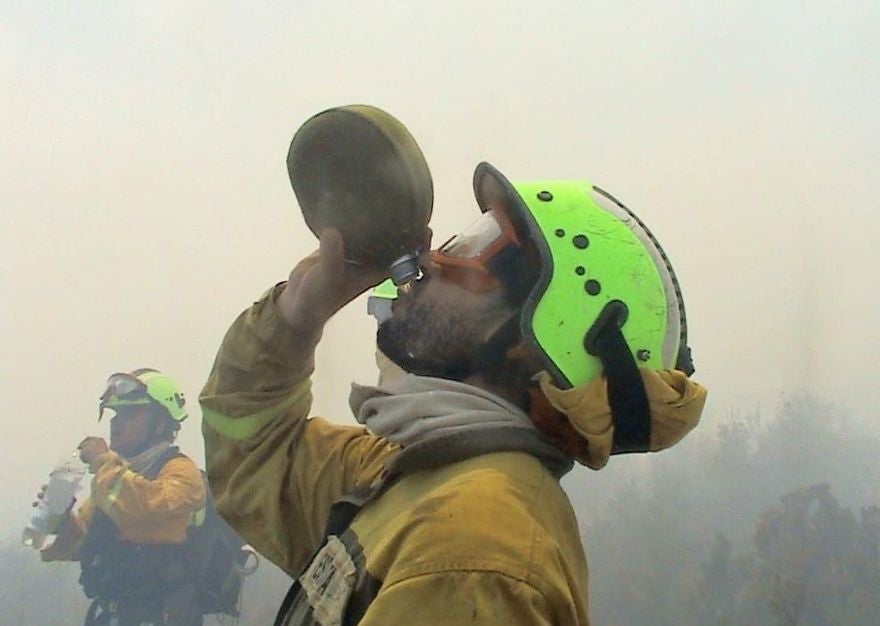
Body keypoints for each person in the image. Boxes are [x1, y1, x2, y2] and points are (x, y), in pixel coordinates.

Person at [200, 162, 708, 625]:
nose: (433, 259)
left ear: (527, 344)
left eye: (475, 249)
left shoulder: (473, 549)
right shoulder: (413, 475)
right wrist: (294, 317)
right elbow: (254, 454)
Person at [39, 368, 206, 626]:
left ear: (160, 422)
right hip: (114, 615)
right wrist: (62, 519)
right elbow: (87, 542)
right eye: (116, 414)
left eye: (130, 414)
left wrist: (104, 462)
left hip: (164, 615)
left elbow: (148, 507)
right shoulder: (115, 477)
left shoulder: (181, 472)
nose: (116, 422)